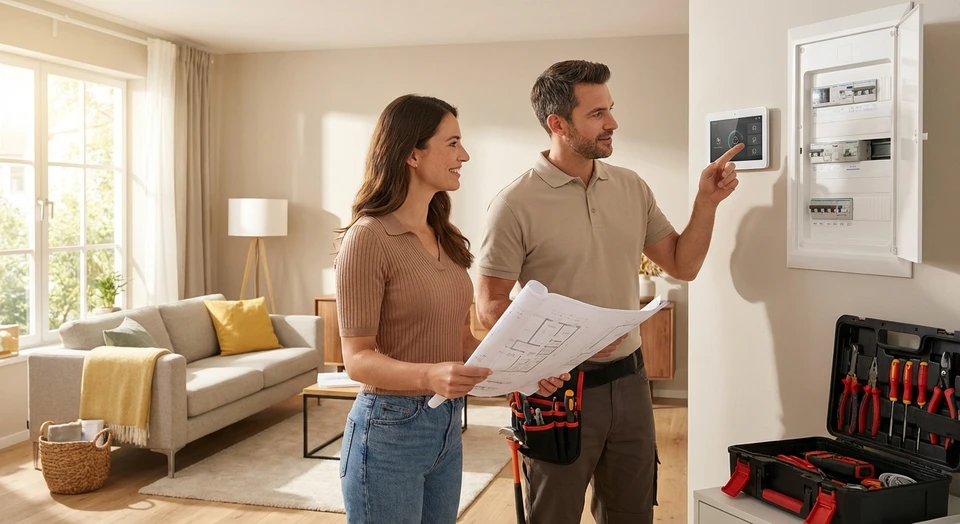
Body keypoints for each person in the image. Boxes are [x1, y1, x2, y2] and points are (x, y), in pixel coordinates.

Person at [476, 60, 741, 524]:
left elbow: (684, 264)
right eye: (597, 113)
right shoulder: (514, 204)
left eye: (611, 110)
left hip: (631, 382)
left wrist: (706, 203)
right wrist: (546, 358)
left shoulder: (630, 186)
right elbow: (490, 305)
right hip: (557, 391)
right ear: (557, 124)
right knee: (552, 515)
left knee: (633, 513)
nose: (613, 123)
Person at [333, 94, 568, 524]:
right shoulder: (368, 238)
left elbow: (459, 340)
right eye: (453, 143)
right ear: (411, 154)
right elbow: (357, 359)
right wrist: (429, 374)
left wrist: (526, 374)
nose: (465, 155)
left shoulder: (443, 236)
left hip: (445, 426)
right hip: (388, 431)